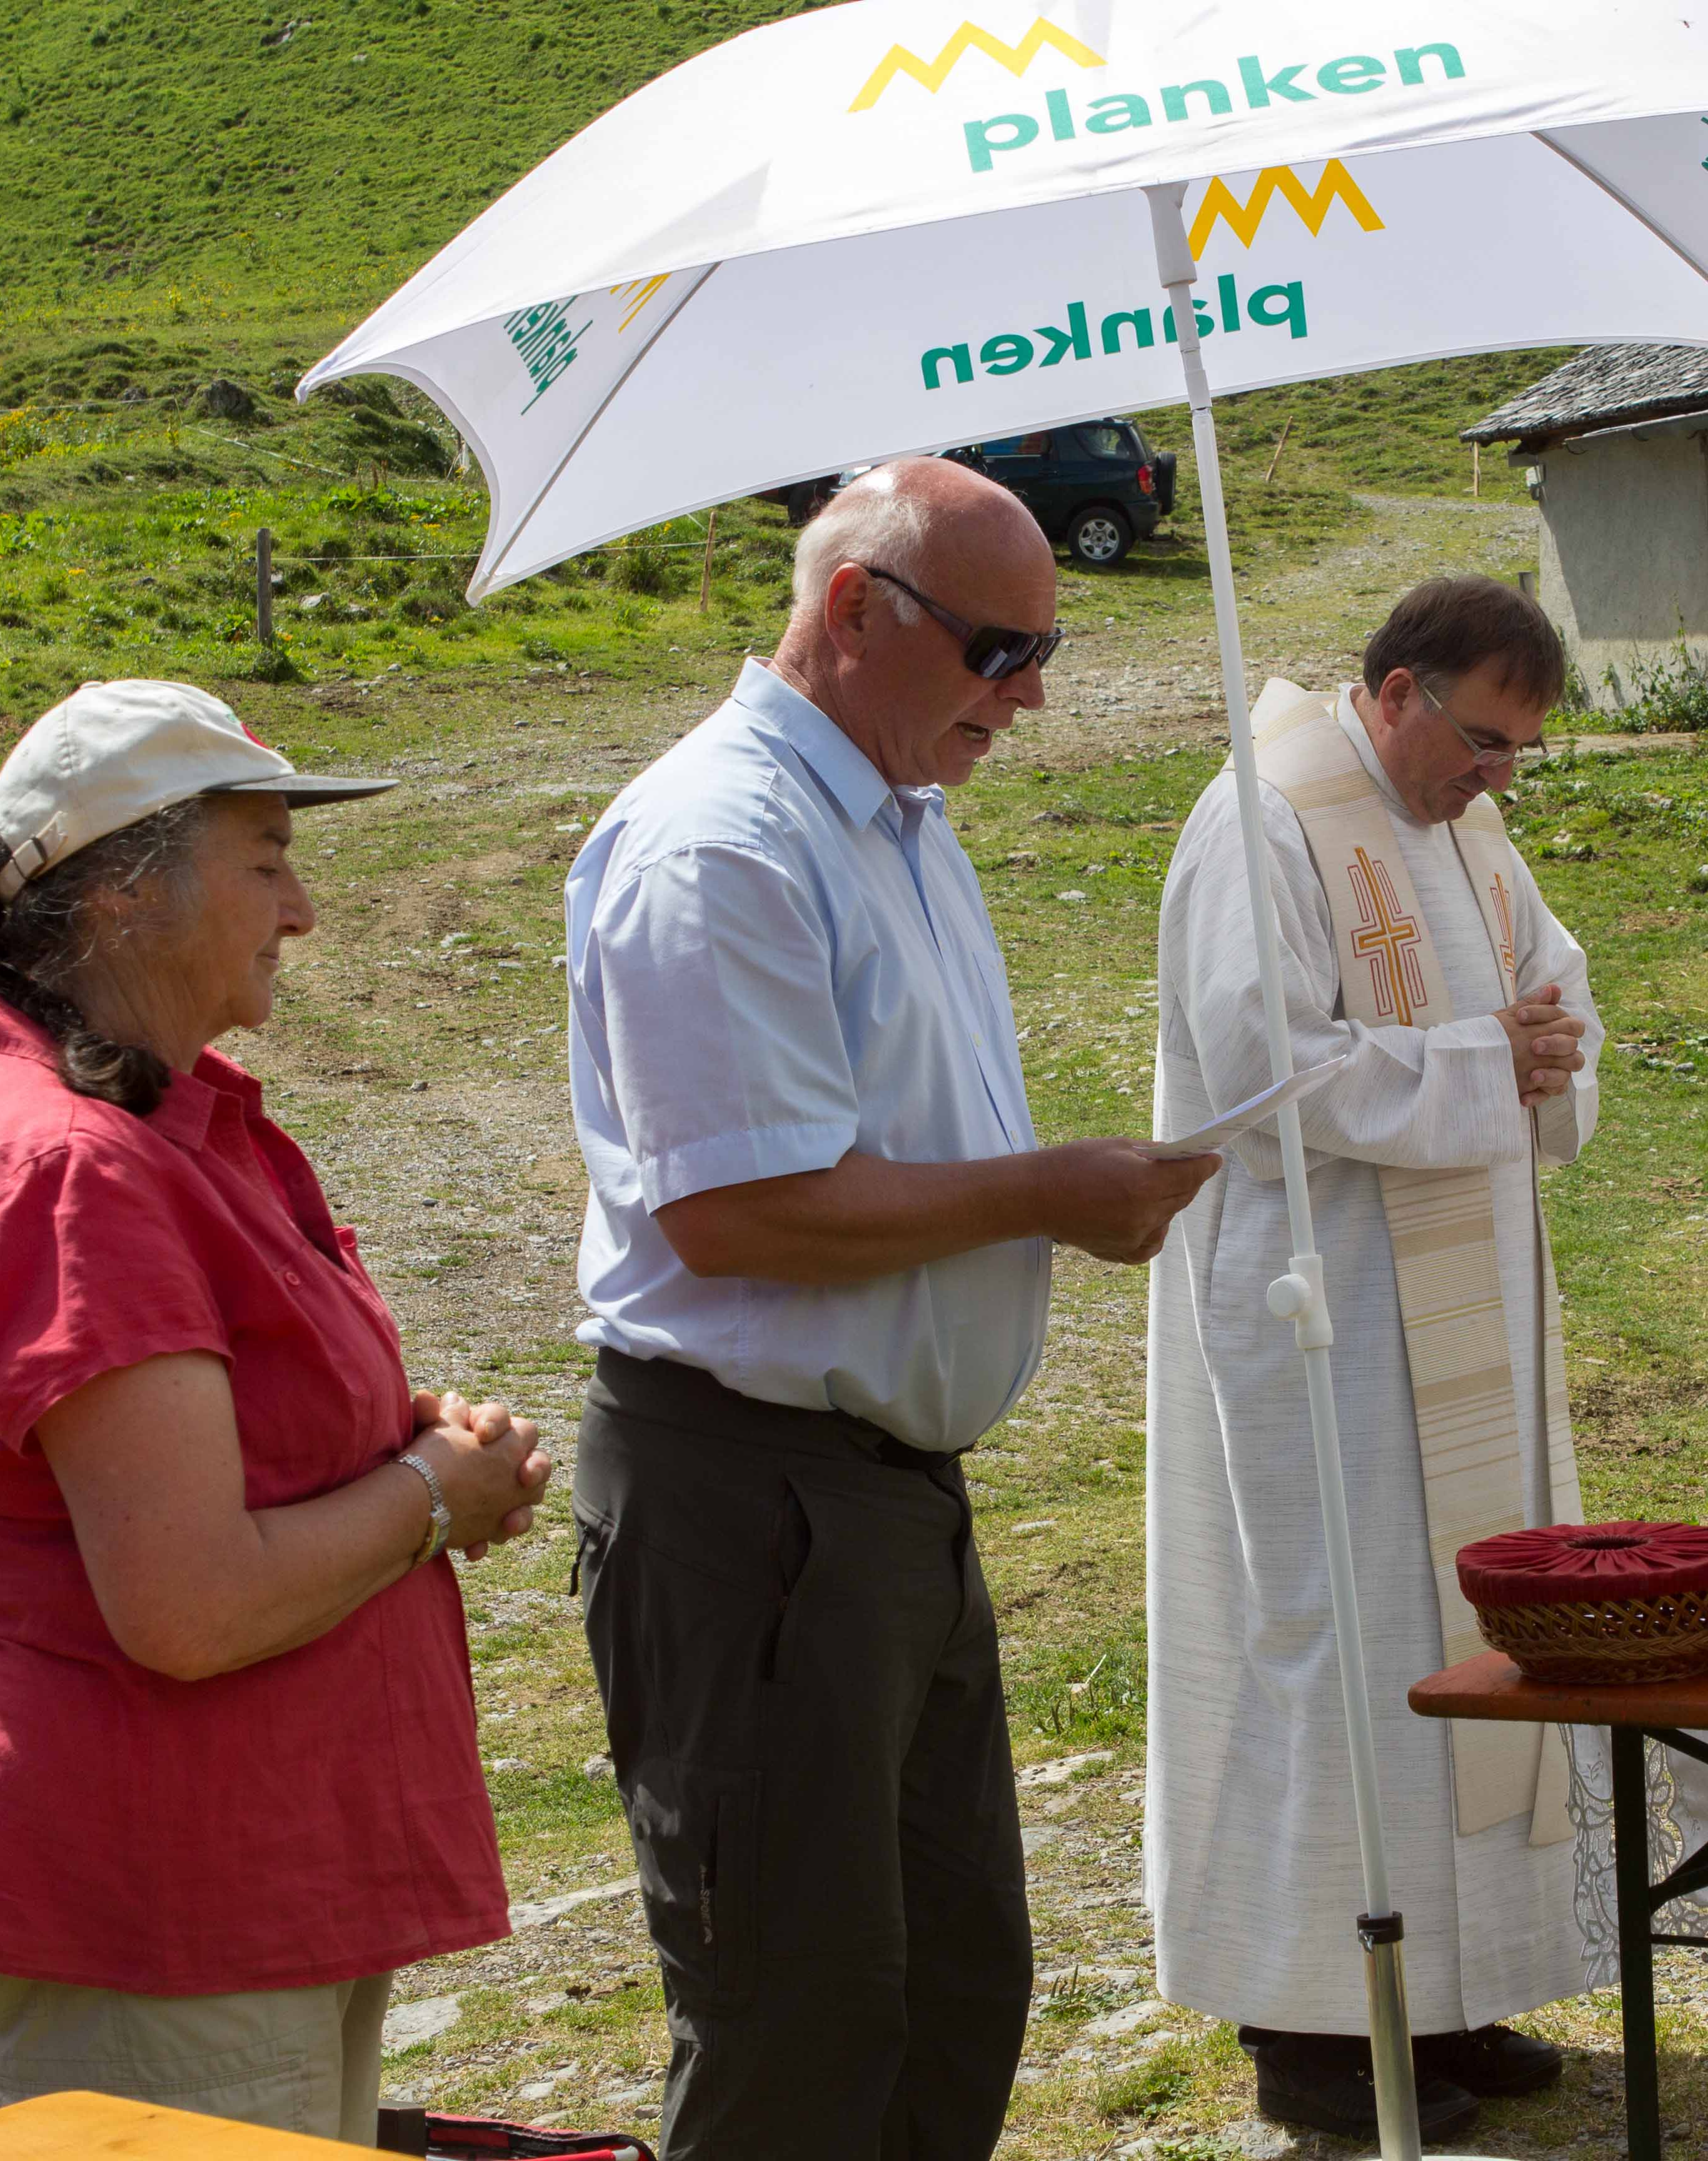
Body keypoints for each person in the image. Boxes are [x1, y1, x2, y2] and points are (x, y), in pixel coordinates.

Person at [562, 458, 1218, 2161]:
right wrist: (1049, 1194)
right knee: (798, 2023)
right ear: (855, 609)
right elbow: (737, 1212)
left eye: (1045, 650)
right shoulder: (721, 845)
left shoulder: (896, 817)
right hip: (752, 1499)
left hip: (878, 1499)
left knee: (948, 1988)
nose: (1031, 696)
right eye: (1000, 650)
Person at [0, 680, 554, 2144]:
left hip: (231, 1876)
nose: (301, 910)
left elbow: (224, 1435)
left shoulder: (155, 1118)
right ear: (124, 892)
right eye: (265, 861)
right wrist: (430, 1496)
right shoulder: (72, 1167)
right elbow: (189, 1605)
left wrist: (408, 1450)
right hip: (160, 1900)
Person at [1144, 577, 1602, 2141]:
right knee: (1335, 1635)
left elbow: (1551, 983)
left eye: (1521, 750)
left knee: (1469, 1620)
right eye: (1482, 740)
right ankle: (1309, 2022)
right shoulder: (1267, 818)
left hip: (1466, 1293)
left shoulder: (1467, 825)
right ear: (1397, 691)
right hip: (1318, 1307)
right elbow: (1260, 1066)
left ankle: (1451, 1994)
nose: (1498, 776)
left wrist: (1551, 1047)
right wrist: (1488, 1061)